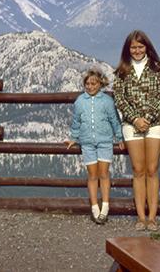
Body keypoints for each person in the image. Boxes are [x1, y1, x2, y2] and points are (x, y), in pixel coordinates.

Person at [113, 30, 160, 231]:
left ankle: (153, 217)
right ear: (128, 49)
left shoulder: (158, 69)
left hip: (155, 123)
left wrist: (148, 119)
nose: (137, 50)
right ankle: (140, 217)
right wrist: (135, 119)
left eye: (140, 46)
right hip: (131, 124)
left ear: (147, 47)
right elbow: (119, 98)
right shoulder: (121, 71)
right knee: (138, 170)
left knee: (152, 169)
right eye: (133, 47)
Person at [65, 69, 124, 224]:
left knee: (104, 173)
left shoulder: (107, 101)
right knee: (92, 175)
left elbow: (114, 119)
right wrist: (73, 137)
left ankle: (105, 206)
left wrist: (119, 137)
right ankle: (94, 207)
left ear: (100, 84)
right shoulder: (80, 101)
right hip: (87, 143)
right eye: (87, 84)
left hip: (105, 141)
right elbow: (77, 121)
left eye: (94, 83)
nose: (90, 86)